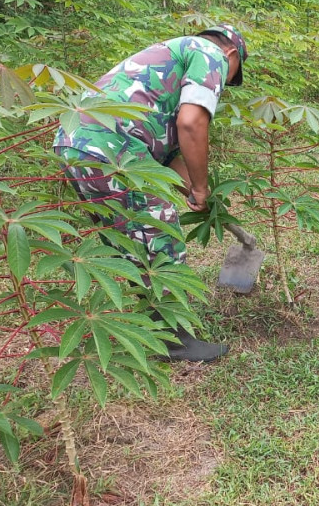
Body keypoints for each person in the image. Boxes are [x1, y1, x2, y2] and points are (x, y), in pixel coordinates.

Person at [53, 24, 248, 361]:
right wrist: (201, 188)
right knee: (159, 234)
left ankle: (146, 327)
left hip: (75, 141)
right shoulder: (209, 52)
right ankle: (173, 340)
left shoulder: (163, 63)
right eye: (230, 79)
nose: (224, 86)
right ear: (231, 55)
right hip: (113, 149)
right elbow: (191, 123)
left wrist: (190, 187)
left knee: (131, 240)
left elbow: (174, 152)